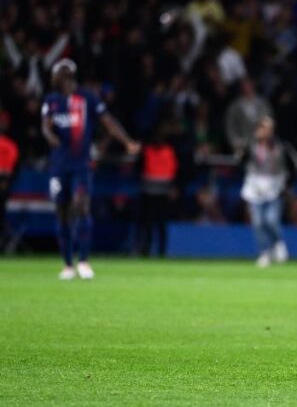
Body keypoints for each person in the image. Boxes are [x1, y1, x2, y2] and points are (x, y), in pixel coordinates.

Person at [41, 59, 140, 280]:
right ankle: (67, 263)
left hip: (81, 164)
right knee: (62, 212)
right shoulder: (52, 100)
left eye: (57, 73)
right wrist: (50, 137)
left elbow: (108, 122)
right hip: (58, 166)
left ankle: (84, 260)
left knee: (82, 205)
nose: (54, 77)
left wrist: (126, 141)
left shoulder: (86, 98)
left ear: (67, 75)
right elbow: (45, 126)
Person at [240, 116, 297, 268]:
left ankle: (278, 243)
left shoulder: (281, 146)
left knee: (271, 220)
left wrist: (288, 184)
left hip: (275, 187)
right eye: (262, 128)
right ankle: (264, 253)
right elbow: (240, 162)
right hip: (255, 187)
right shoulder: (251, 145)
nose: (265, 131)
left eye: (268, 128)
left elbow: (296, 165)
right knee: (258, 222)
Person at [136, 124, 178, 257]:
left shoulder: (169, 151)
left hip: (163, 192)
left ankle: (162, 252)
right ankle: (145, 250)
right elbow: (139, 169)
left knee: (161, 225)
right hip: (148, 191)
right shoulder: (147, 151)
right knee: (147, 224)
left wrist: (173, 187)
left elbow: (174, 170)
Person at [0, 117, 19, 247]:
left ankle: (2, 239)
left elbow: (10, 165)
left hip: (3, 179)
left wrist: (5, 178)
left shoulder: (9, 144)